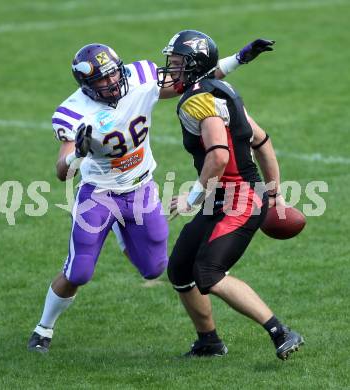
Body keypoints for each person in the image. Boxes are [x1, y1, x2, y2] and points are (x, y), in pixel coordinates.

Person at [28, 38, 275, 353]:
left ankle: (122, 231)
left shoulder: (141, 76)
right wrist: (77, 153)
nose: (111, 82)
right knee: (79, 271)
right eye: (101, 79)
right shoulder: (72, 111)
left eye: (113, 73)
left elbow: (194, 78)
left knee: (154, 269)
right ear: (86, 84)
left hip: (141, 188)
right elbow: (63, 172)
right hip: (98, 193)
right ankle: (43, 329)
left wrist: (239, 58)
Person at [157, 30, 304, 360]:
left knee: (207, 273)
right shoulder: (224, 92)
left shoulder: (196, 102)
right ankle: (209, 342)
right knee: (180, 268)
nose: (171, 70)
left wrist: (191, 198)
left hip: (236, 200)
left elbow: (220, 156)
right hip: (228, 197)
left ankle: (281, 331)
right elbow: (262, 141)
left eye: (178, 63)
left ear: (194, 67)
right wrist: (274, 193)